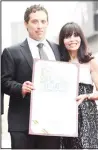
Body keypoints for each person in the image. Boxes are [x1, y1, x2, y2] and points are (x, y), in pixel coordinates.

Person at [1, 4, 60, 149]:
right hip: (23, 123)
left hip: (52, 123)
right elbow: (3, 82)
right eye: (35, 21)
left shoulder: (58, 50)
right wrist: (21, 88)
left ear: (47, 23)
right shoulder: (11, 52)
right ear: (26, 24)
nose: (39, 26)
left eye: (43, 21)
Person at [58, 22, 98, 149]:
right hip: (65, 113)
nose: (72, 39)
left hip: (87, 114)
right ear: (62, 40)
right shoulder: (58, 62)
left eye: (76, 35)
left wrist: (86, 96)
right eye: (68, 36)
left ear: (81, 38)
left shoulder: (90, 61)